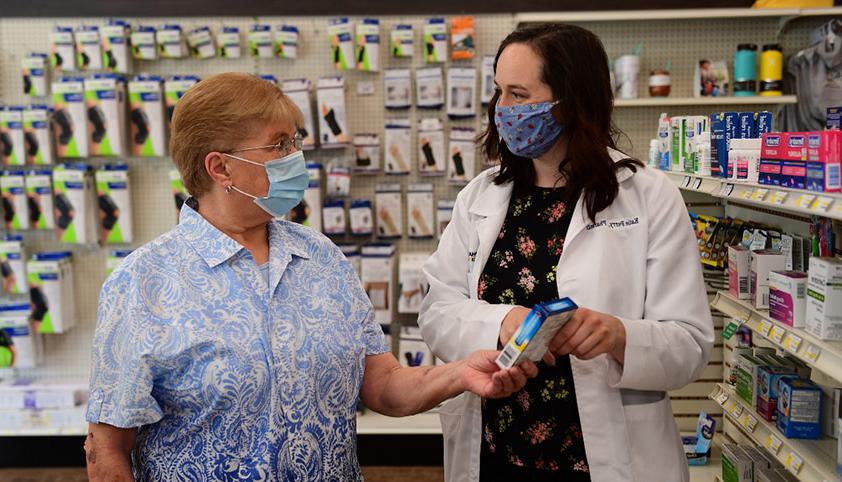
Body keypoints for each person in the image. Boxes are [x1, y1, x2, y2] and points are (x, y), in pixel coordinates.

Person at [84, 72, 538, 481]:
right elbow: (107, 450)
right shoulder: (143, 282)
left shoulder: (319, 256)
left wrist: (462, 372)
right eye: (280, 145)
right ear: (219, 167)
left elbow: (381, 384)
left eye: (295, 141)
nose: (296, 157)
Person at [418, 24, 715, 482]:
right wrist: (500, 323)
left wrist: (619, 335)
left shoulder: (648, 197)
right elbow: (437, 311)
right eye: (499, 93)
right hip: (496, 451)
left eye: (520, 94)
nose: (503, 110)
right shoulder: (479, 197)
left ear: (573, 100)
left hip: (605, 459)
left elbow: (690, 345)